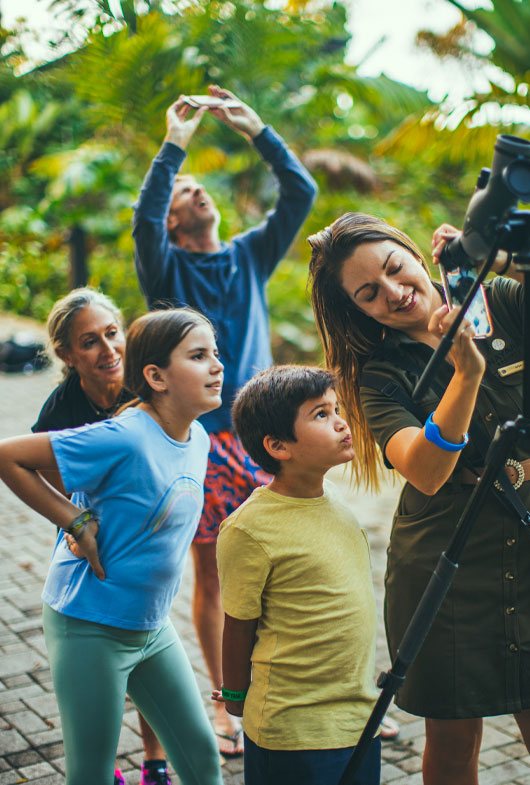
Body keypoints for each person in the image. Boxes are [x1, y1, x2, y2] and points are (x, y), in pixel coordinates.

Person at [307, 213, 530, 785]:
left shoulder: (499, 300)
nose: (395, 294)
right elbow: (426, 470)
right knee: (453, 754)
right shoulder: (379, 374)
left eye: (396, 270)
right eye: (369, 294)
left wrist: (509, 262)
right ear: (359, 310)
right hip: (444, 565)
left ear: (418, 258)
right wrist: (464, 375)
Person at [132, 85, 318, 756]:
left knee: (288, 563)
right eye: (185, 192)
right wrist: (172, 147)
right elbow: (143, 222)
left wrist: (257, 128)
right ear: (176, 223)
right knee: (215, 575)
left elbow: (301, 195)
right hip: (204, 440)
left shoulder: (248, 255)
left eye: (197, 187)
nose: (196, 192)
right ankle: (226, 702)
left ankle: (303, 691)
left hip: (269, 432)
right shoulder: (165, 267)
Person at [0, 308, 225, 785]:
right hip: (90, 626)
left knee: (202, 759)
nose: (217, 366)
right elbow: (8, 456)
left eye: (216, 354)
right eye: (199, 355)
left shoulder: (199, 437)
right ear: (156, 376)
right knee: (91, 773)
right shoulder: (124, 436)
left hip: (151, 626)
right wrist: (74, 521)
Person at [31, 287, 174, 785]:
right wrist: (71, 521)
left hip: (142, 540)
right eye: (90, 342)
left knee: (147, 658)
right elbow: (35, 470)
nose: (108, 349)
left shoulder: (145, 387)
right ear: (67, 355)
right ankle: (98, 765)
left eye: (112, 333)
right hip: (90, 540)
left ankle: (154, 765)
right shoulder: (62, 408)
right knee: (104, 666)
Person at [213, 365, 381, 785]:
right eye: (321, 414)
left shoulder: (336, 500)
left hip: (358, 717)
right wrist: (235, 697)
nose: (341, 421)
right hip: (292, 730)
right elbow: (238, 624)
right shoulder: (249, 529)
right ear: (278, 446)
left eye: (336, 408)